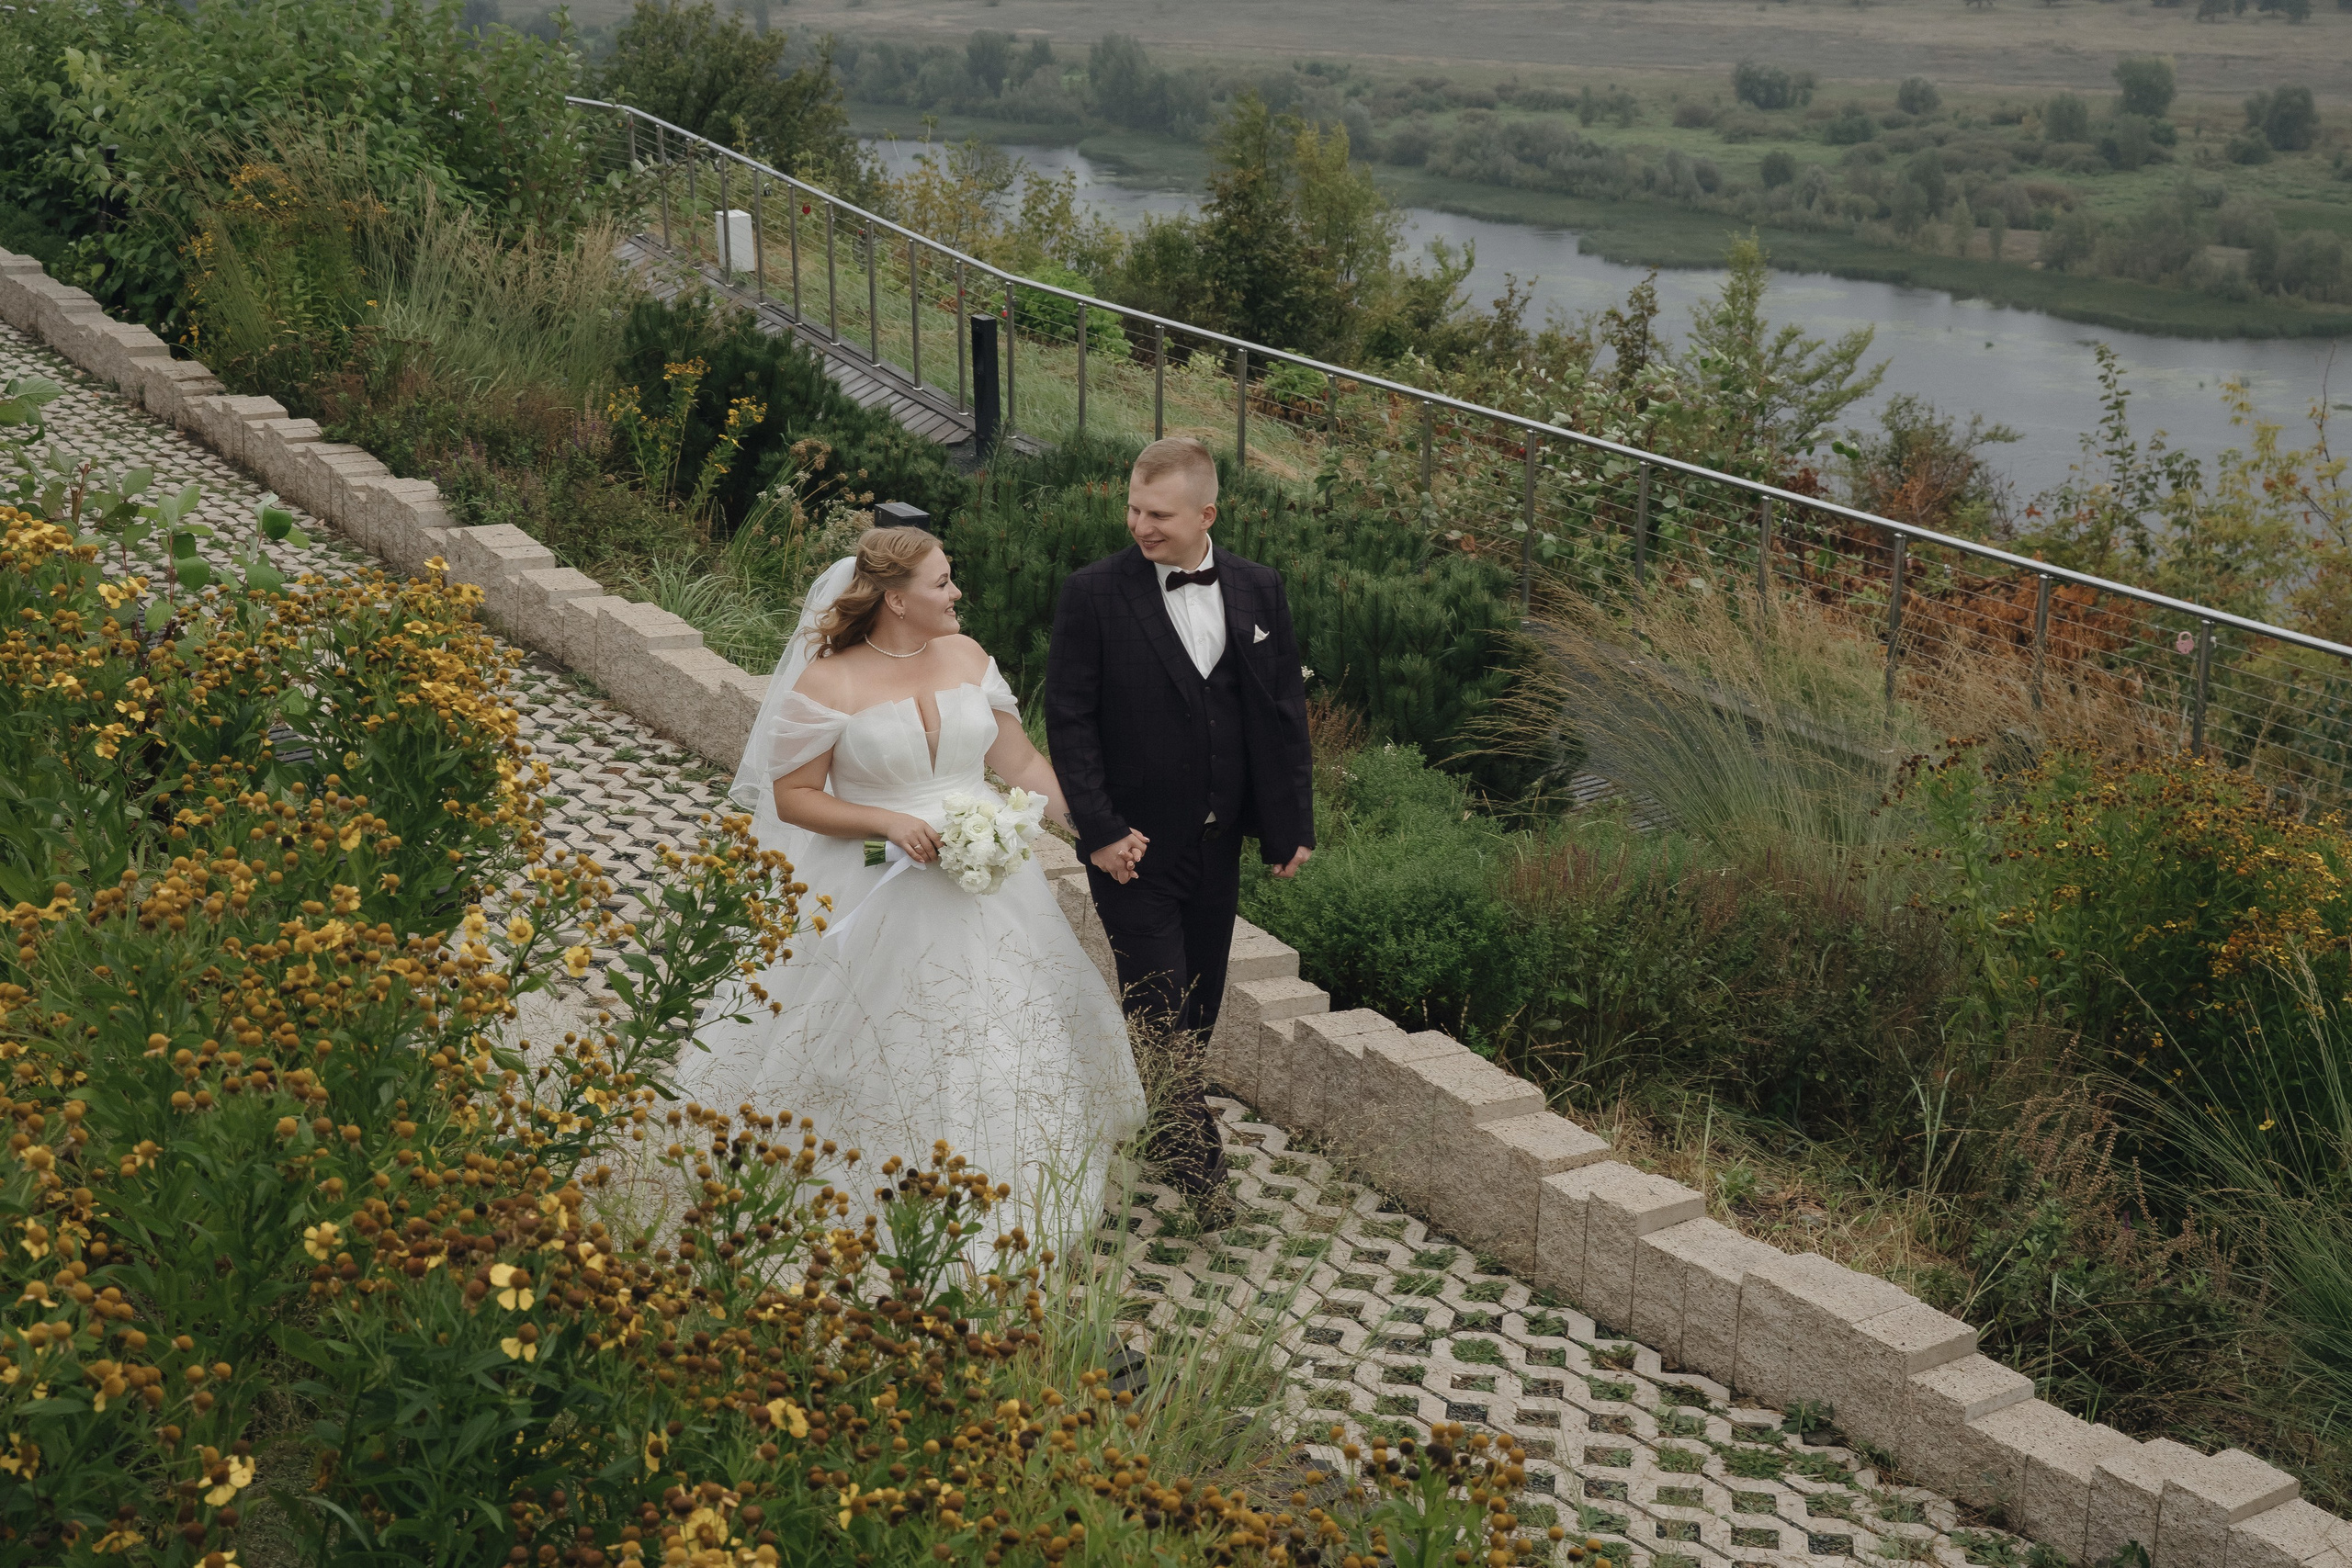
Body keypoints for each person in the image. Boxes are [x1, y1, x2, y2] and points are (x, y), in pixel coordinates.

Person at [683, 525, 1147, 1256]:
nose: (956, 591)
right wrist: (887, 822)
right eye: (942, 582)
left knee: (1001, 1035)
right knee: (876, 1034)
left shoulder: (967, 656)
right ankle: (854, 1167)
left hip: (992, 891)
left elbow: (1018, 759)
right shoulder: (828, 681)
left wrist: (1093, 829)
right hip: (874, 882)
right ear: (896, 598)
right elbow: (796, 797)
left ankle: (1015, 1176)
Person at [1045, 437, 1315, 1231]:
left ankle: (1161, 1115)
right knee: (1158, 1002)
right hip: (1131, 849)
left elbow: (1280, 716)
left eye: (1157, 514)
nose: (1140, 525)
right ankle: (1203, 1179)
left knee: (1199, 1000)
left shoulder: (1259, 589)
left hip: (1217, 841)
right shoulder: (1092, 593)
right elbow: (1069, 721)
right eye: (1133, 507)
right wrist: (1098, 830)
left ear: (1207, 514)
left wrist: (1288, 826)